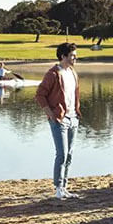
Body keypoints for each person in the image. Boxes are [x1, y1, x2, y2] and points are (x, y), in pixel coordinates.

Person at [35, 42, 81, 199]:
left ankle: (65, 187)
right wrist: (51, 114)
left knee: (69, 154)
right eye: (73, 55)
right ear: (63, 56)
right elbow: (40, 95)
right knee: (61, 153)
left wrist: (76, 111)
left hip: (73, 117)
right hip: (59, 118)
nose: (76, 58)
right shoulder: (53, 74)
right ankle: (58, 187)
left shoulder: (73, 72)